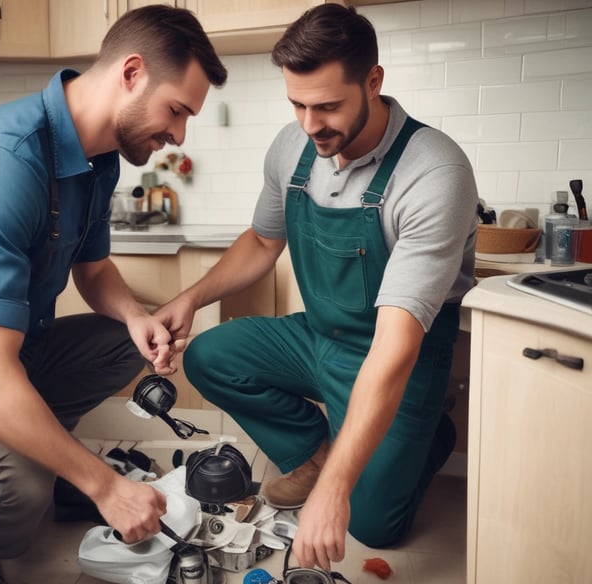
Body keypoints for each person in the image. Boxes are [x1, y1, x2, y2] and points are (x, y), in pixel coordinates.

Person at [0, 5, 227, 582]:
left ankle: (40, 445)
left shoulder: (100, 159)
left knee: (124, 345)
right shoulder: (2, 161)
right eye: (177, 110)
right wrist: (106, 488)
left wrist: (134, 317)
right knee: (26, 482)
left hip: (21, 349)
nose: (178, 134)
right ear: (131, 73)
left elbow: (94, 268)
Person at [155, 3, 478, 572]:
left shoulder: (434, 172)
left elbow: (396, 344)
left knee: (374, 524)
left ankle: (430, 436)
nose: (310, 123)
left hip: (396, 354)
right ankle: (319, 449)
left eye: (327, 105)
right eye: (298, 104)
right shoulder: (293, 146)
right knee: (209, 354)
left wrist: (335, 493)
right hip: (316, 337)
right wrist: (189, 299)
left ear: (373, 82)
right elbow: (261, 242)